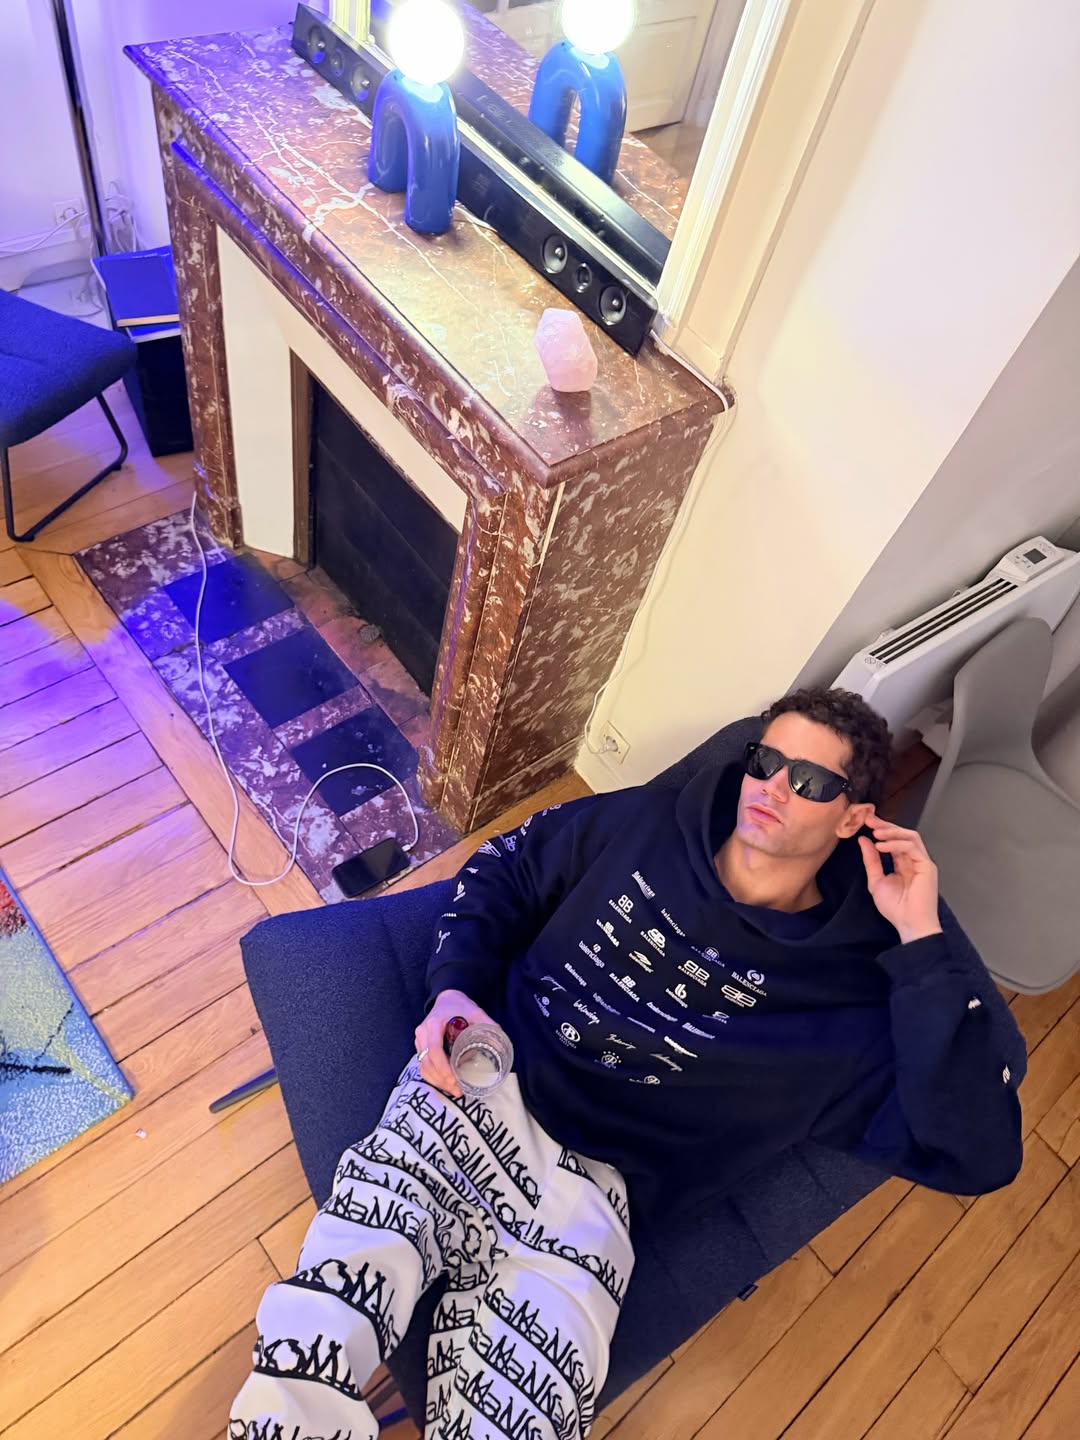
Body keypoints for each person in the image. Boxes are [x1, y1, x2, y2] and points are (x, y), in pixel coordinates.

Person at [230, 686, 1026, 1440]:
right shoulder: (648, 824)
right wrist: (454, 990)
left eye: (811, 781)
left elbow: (979, 1153)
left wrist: (922, 943)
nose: (774, 788)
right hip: (479, 1093)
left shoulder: (845, 1005)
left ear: (853, 818)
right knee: (312, 1340)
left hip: (590, 1211)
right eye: (766, 761)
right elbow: (506, 865)